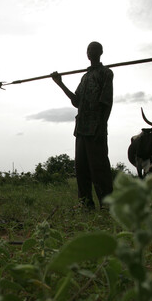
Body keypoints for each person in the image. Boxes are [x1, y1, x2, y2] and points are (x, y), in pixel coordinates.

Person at [52, 41, 113, 210]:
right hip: (81, 129)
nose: (90, 52)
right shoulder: (85, 77)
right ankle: (85, 204)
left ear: (100, 52)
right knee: (81, 168)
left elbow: (107, 102)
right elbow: (76, 101)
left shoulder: (106, 73)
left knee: (99, 168)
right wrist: (60, 83)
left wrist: (102, 126)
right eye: (88, 49)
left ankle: (107, 205)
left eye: (93, 49)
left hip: (96, 128)